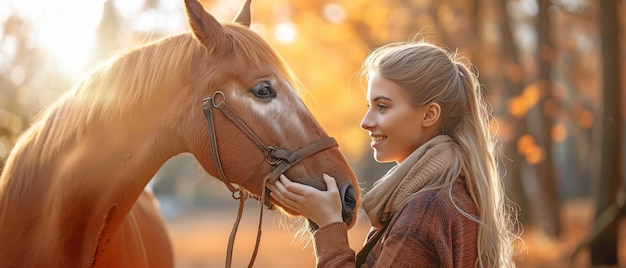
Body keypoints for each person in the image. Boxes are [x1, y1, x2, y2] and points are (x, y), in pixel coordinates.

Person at [267, 37, 520, 267]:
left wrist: (329, 226)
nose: (365, 121)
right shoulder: (448, 193)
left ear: (429, 114)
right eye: (369, 105)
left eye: (383, 107)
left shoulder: (424, 212)